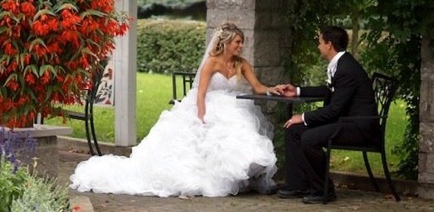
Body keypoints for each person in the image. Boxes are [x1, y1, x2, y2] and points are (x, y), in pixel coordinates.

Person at [70, 22, 281, 197]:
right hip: (208, 104)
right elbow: (200, 93)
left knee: (241, 132)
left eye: (242, 42)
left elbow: (258, 87)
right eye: (237, 42)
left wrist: (273, 89)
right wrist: (201, 116)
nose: (241, 45)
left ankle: (242, 178)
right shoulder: (211, 63)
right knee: (208, 134)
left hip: (232, 105)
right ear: (225, 43)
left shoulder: (241, 64)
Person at [272, 26, 377, 204]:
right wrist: (297, 91)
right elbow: (329, 91)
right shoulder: (341, 63)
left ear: (329, 45)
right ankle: (299, 184)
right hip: (346, 120)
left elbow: (334, 109)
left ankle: (323, 190)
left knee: (309, 137)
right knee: (294, 130)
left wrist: (303, 117)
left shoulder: (346, 69)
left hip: (358, 126)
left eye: (320, 42)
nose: (318, 46)